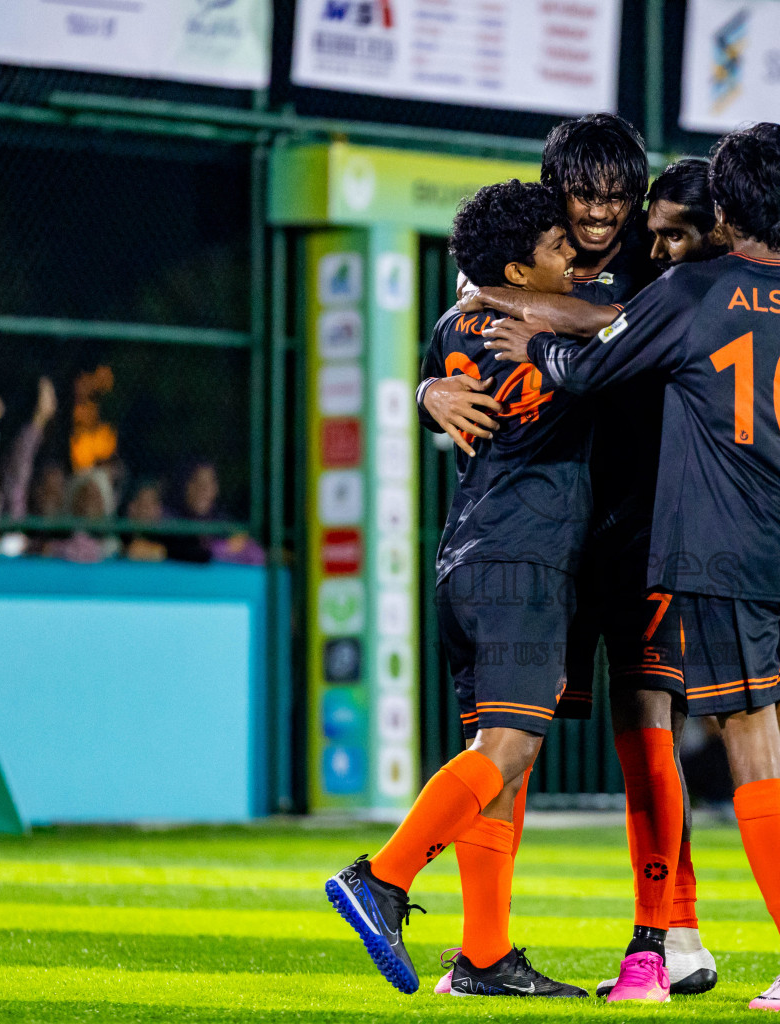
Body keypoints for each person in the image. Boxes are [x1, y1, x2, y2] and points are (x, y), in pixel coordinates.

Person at [485, 122, 780, 1012]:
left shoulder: (697, 290)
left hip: (723, 549)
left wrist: (534, 341)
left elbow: (591, 367)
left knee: (751, 756)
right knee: (775, 743)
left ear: (724, 212)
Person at [328, 180, 590, 1000]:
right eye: (556, 248)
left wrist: (421, 389)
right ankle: (385, 877)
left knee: (501, 763)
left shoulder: (453, 321)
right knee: (507, 750)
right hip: (524, 556)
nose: (573, 257)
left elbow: (467, 326)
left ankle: (483, 957)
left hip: (466, 557)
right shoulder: (538, 325)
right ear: (517, 267)